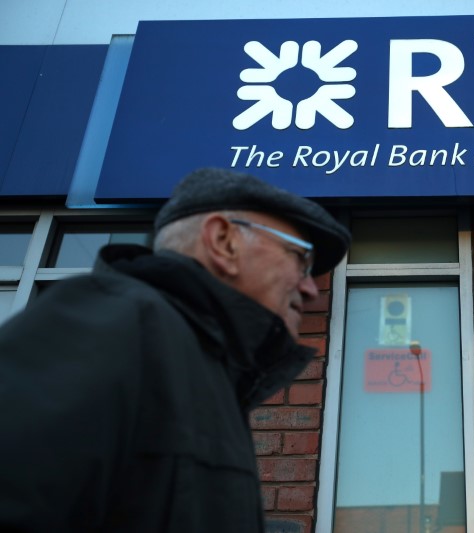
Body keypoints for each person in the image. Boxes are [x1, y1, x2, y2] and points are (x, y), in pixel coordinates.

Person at [0, 168, 351, 532]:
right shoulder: (111, 325)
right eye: (301, 259)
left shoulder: (206, 373)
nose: (311, 289)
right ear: (223, 241)